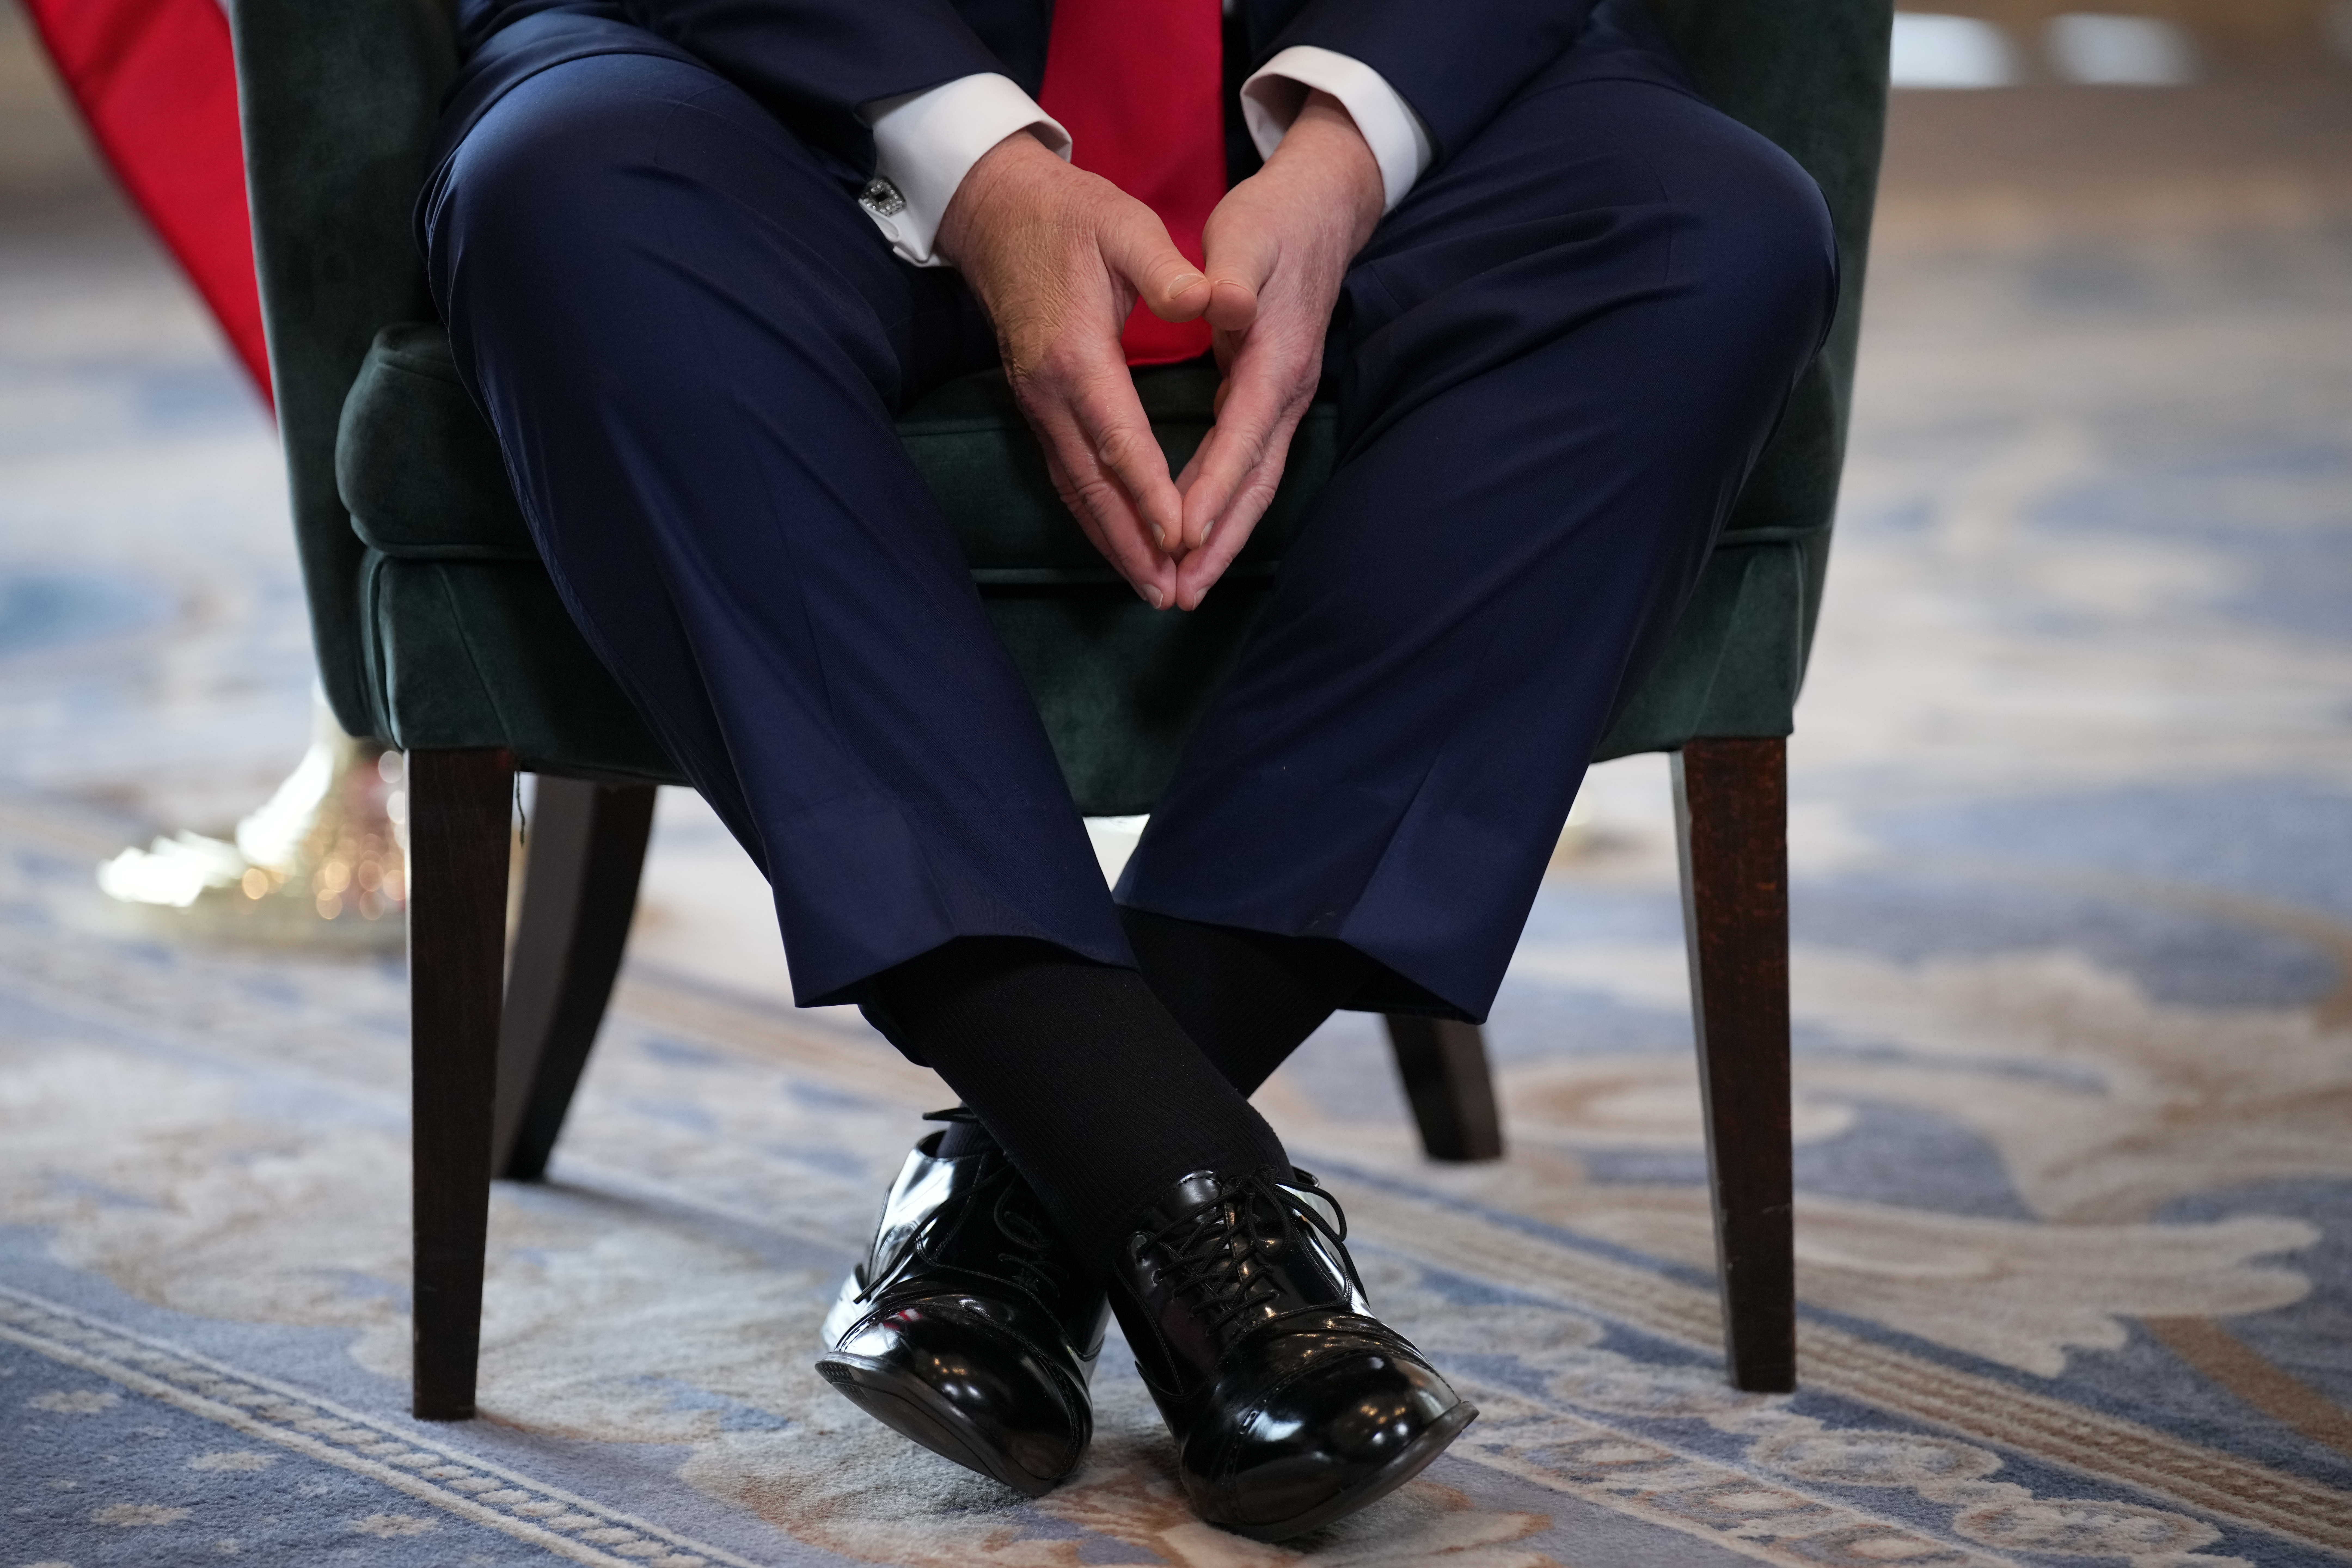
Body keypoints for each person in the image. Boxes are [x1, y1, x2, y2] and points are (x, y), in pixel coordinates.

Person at [419, 0, 1836, 1539]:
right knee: (564, 202)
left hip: (1355, 73)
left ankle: (1032, 1181)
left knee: (1716, 233)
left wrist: (1352, 147)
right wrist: (981, 170)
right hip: (778, 84)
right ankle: (1191, 1195)